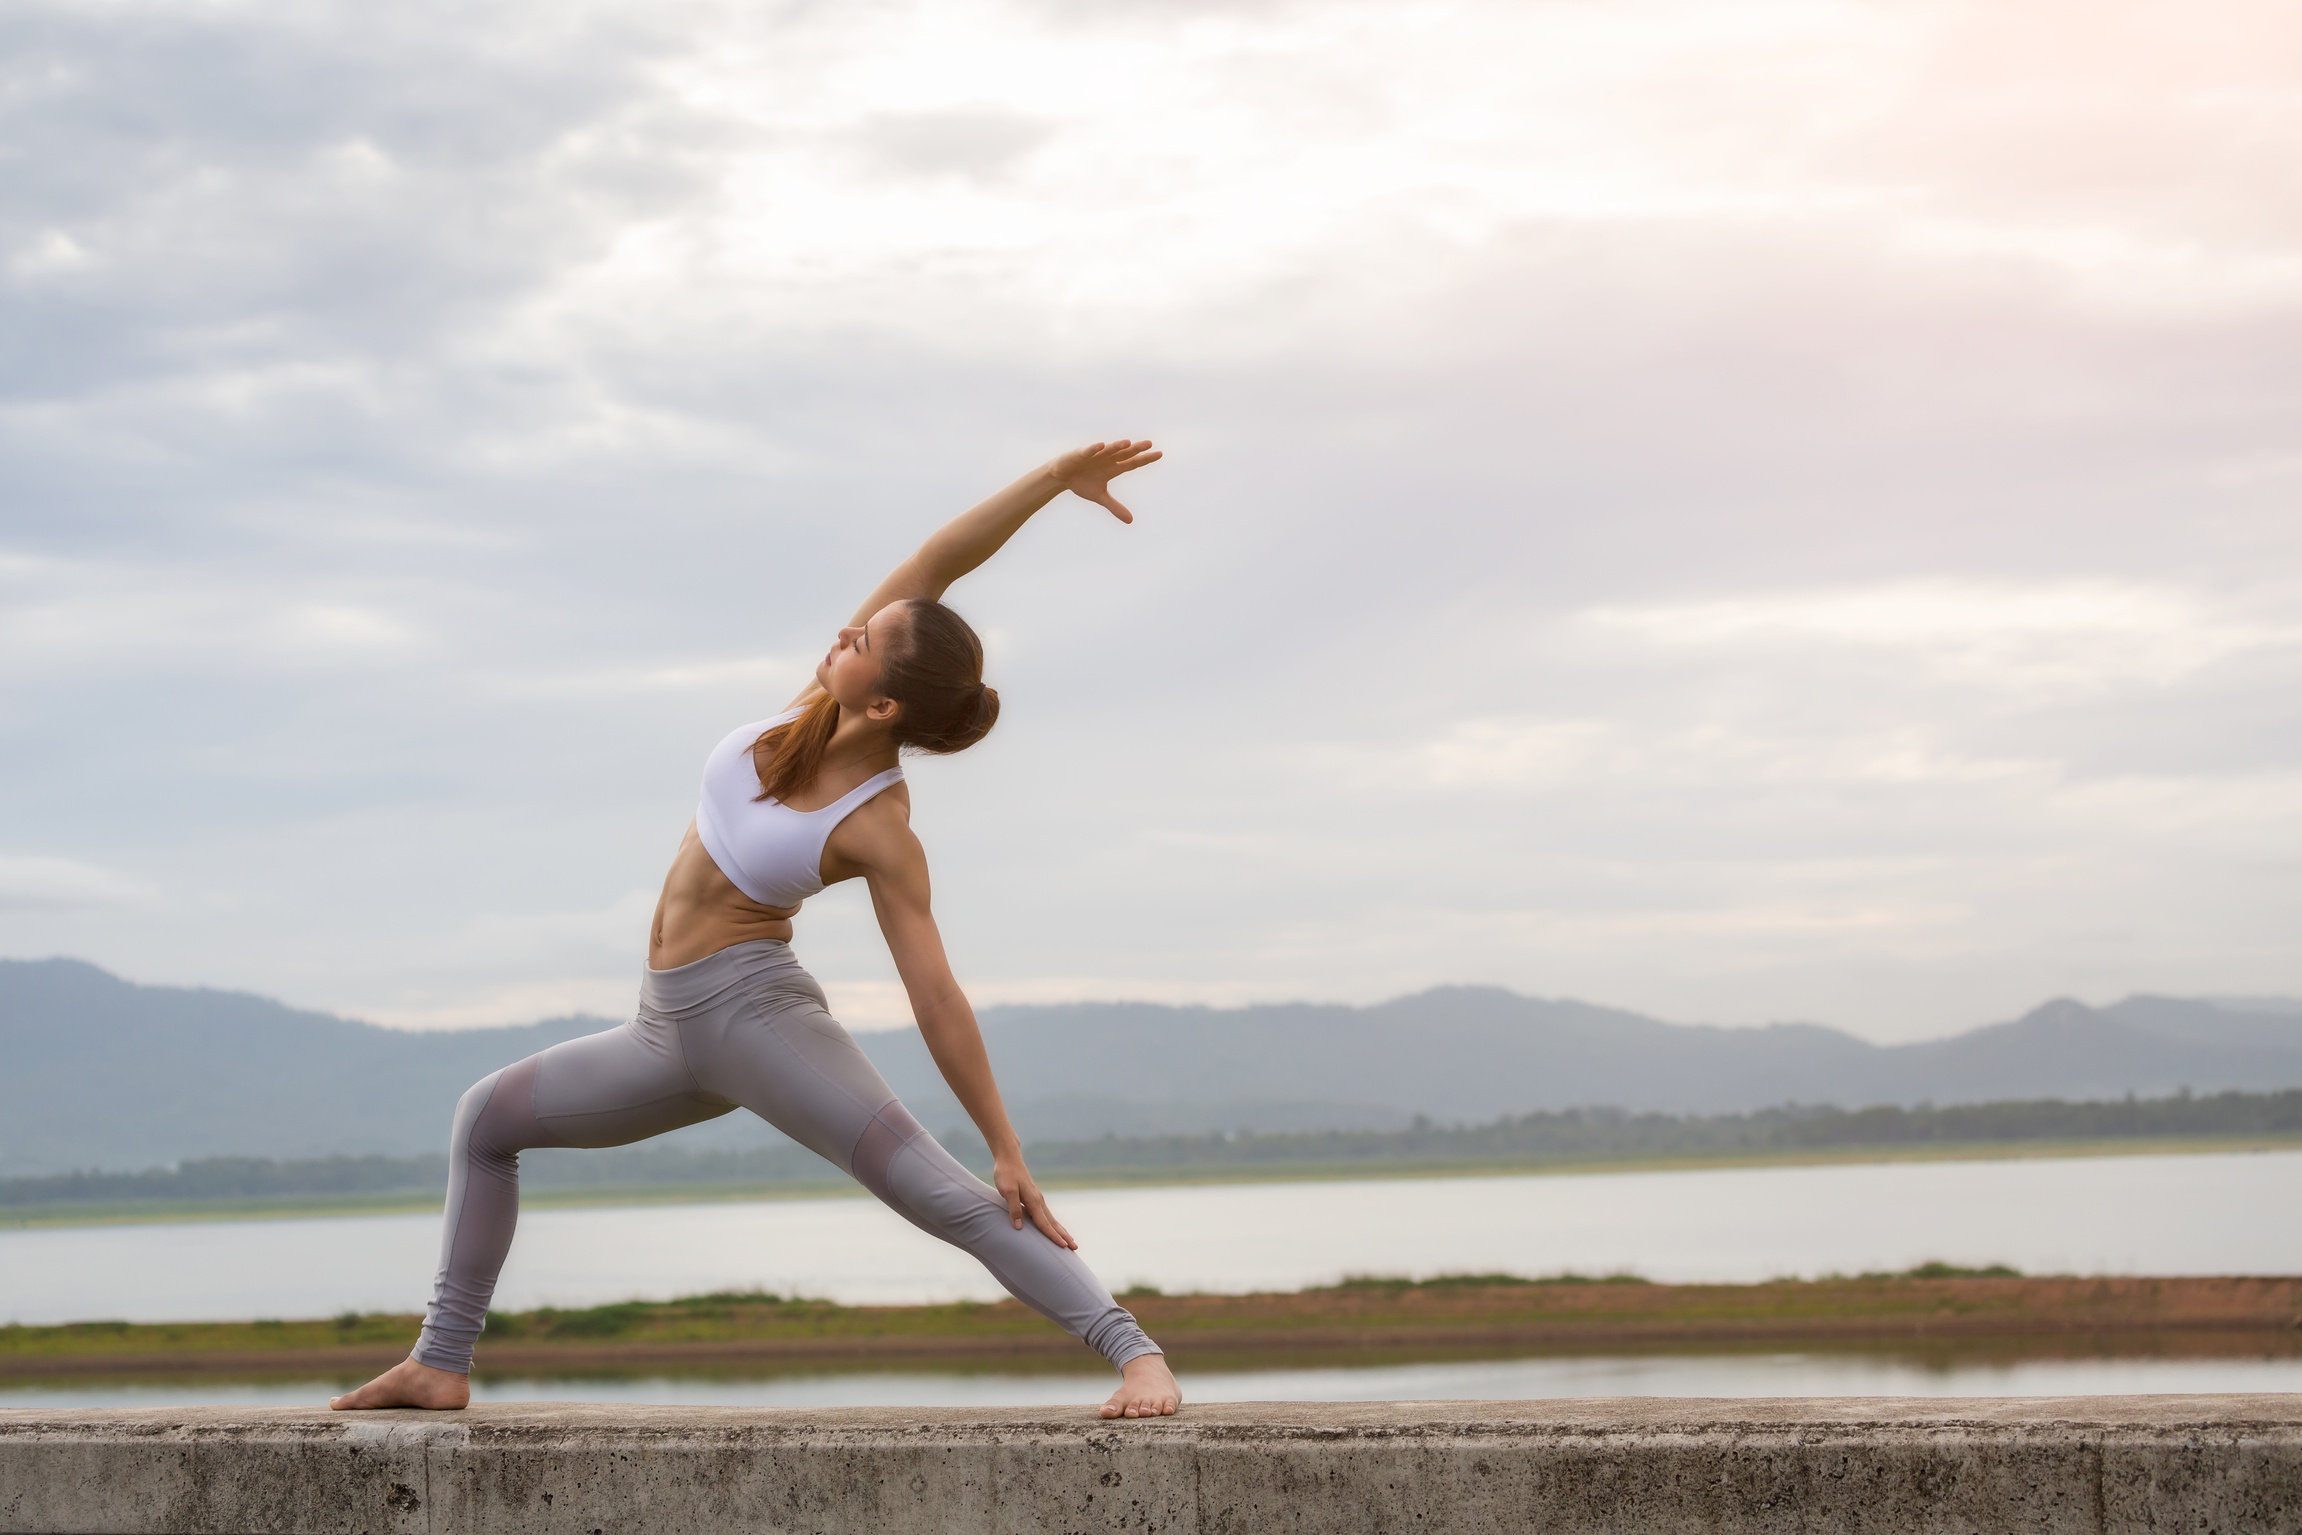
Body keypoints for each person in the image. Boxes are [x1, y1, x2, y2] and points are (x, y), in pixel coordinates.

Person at [330, 441, 1182, 1419]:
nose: (846, 630)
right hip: (662, 1032)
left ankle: (1136, 1355)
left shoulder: (877, 826)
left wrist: (1006, 1143)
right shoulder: (810, 711)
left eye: (864, 639)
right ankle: (440, 1362)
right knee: (485, 1119)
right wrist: (1049, 480)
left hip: (757, 1022)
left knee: (941, 1194)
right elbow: (940, 557)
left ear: (887, 701)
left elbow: (934, 993)